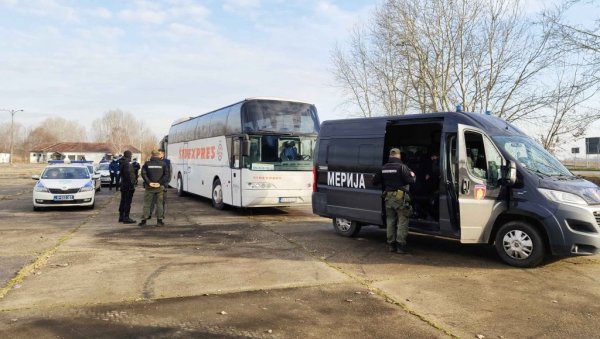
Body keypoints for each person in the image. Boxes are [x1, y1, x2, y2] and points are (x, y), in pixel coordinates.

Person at [372, 148, 416, 254]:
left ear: (390, 156)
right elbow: (410, 181)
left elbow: (374, 181)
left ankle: (391, 245)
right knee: (402, 220)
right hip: (400, 198)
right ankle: (400, 245)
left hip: (388, 198)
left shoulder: (383, 168)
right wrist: (413, 176)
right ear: (399, 156)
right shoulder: (402, 167)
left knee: (390, 221)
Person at [138, 150, 169, 227]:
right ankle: (159, 221)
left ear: (152, 155)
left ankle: (144, 221)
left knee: (147, 204)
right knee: (159, 204)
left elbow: (143, 174)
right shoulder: (163, 164)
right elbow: (166, 175)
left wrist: (149, 182)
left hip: (149, 187)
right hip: (160, 187)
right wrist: (159, 183)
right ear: (158, 155)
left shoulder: (147, 164)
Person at [118, 150, 137, 224]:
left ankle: (121, 217)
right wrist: (132, 184)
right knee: (127, 202)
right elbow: (128, 175)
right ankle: (126, 217)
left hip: (123, 185)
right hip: (128, 186)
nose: (131, 156)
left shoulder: (122, 162)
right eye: (131, 155)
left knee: (123, 201)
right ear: (128, 155)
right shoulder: (126, 163)